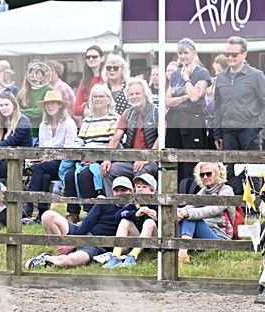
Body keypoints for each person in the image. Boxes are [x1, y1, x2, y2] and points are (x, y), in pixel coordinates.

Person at [25, 176, 134, 269]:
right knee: (47, 215)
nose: (119, 194)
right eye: (117, 190)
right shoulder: (105, 203)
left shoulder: (134, 212)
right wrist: (74, 242)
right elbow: (87, 222)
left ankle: (47, 258)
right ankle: (61, 250)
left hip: (95, 246)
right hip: (81, 231)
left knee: (69, 261)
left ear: (131, 191)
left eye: (123, 190)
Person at [213, 36, 265, 195]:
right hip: (228, 131)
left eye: (234, 55)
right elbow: (218, 107)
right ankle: (236, 212)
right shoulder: (221, 77)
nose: (229, 58)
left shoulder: (256, 75)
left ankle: (256, 210)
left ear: (244, 55)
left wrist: (257, 126)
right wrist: (217, 133)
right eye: (227, 54)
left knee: (253, 171)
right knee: (230, 172)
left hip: (249, 130)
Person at [59, 84, 119, 223]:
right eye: (95, 97)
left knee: (85, 176)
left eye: (101, 96)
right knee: (69, 175)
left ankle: (90, 213)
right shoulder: (87, 120)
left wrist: (95, 157)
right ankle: (73, 213)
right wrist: (83, 155)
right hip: (84, 157)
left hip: (102, 157)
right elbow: (80, 140)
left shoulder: (114, 119)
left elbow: (113, 142)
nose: (98, 99)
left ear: (109, 100)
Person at [164, 38, 211, 194]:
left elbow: (195, 97)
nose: (183, 56)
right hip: (175, 120)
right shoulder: (175, 74)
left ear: (194, 53)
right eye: (180, 53)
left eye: (186, 52)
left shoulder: (202, 72)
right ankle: (173, 194)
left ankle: (191, 196)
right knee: (172, 158)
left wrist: (186, 79)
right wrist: (183, 98)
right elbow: (167, 101)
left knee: (192, 160)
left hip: (193, 120)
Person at [22, 90, 77, 222]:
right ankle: (42, 212)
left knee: (40, 169)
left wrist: (50, 157)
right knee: (44, 176)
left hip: (64, 162)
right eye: (47, 104)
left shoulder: (69, 123)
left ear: (60, 106)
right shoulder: (43, 125)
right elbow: (42, 147)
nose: (50, 106)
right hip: (46, 163)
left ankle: (28, 204)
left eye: (53, 103)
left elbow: (69, 149)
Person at [100, 78, 159, 197]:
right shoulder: (127, 113)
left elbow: (162, 137)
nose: (134, 96)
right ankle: (112, 207)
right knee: (108, 170)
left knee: (140, 171)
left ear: (145, 94)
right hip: (131, 159)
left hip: (152, 160)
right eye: (131, 94)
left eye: (137, 93)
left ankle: (138, 209)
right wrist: (107, 159)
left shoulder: (156, 112)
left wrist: (148, 156)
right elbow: (115, 138)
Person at [0, 91, 33, 224]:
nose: (4, 108)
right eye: (1, 105)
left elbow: (11, 141)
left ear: (14, 105)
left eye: (6, 104)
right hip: (3, 161)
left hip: (21, 163)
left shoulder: (24, 121)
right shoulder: (0, 121)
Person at [177, 161, 236, 265]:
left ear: (218, 173)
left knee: (190, 217)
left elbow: (214, 209)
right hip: (205, 231)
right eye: (202, 174)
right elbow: (191, 205)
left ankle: (182, 255)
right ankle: (175, 252)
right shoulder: (204, 191)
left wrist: (187, 213)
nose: (205, 177)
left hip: (220, 237)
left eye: (208, 174)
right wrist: (180, 211)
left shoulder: (226, 190)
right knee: (186, 215)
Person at [102, 173, 159, 268]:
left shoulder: (159, 203)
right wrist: (135, 214)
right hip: (138, 239)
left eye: (144, 187)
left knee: (149, 222)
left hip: (155, 241)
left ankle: (133, 256)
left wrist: (157, 217)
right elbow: (118, 215)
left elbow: (169, 223)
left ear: (153, 191)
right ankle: (115, 256)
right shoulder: (135, 203)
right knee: (125, 221)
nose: (140, 189)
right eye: (138, 186)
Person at [17, 60, 53, 138]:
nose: (32, 74)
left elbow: (43, 110)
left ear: (42, 74)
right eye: (30, 71)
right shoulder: (22, 92)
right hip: (24, 132)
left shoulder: (49, 90)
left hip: (42, 132)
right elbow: (15, 111)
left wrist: (23, 112)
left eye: (36, 71)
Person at [73, 46, 106, 121]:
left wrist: (86, 108)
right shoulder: (84, 81)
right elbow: (75, 109)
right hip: (89, 123)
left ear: (102, 58)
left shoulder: (106, 79)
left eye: (94, 56)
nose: (91, 59)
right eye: (88, 57)